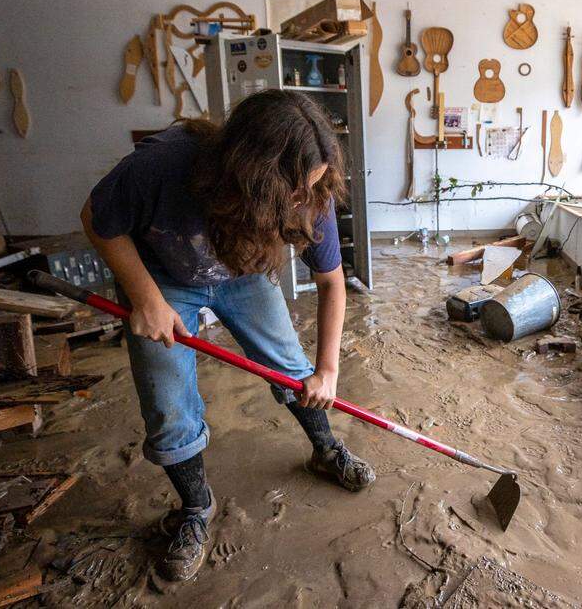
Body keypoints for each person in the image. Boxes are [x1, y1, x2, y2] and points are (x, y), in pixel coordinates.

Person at [82, 90, 375, 582]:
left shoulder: (310, 191)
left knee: (291, 365)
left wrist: (327, 370)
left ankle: (326, 452)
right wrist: (145, 298)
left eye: (313, 187)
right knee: (168, 401)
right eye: (295, 190)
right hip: (164, 278)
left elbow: (330, 283)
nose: (305, 201)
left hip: (243, 270)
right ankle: (196, 508)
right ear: (252, 173)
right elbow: (97, 219)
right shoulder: (162, 167)